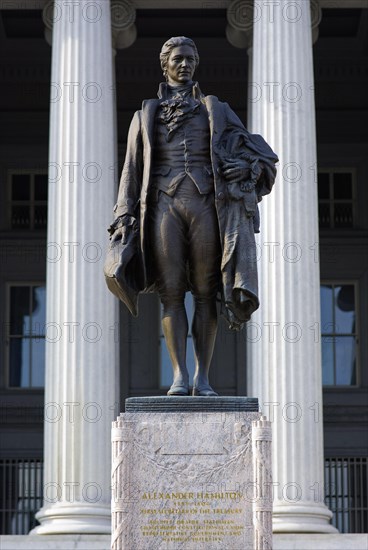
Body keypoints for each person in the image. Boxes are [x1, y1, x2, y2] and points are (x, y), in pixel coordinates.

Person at [108, 36, 278, 397]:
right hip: (162, 207)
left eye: (189, 59)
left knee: (205, 291)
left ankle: (202, 378)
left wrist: (242, 168)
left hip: (206, 204)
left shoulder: (216, 109)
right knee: (170, 292)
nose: (184, 65)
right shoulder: (144, 115)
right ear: (164, 64)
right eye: (177, 59)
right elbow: (131, 171)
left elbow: (260, 156)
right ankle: (179, 377)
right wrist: (123, 215)